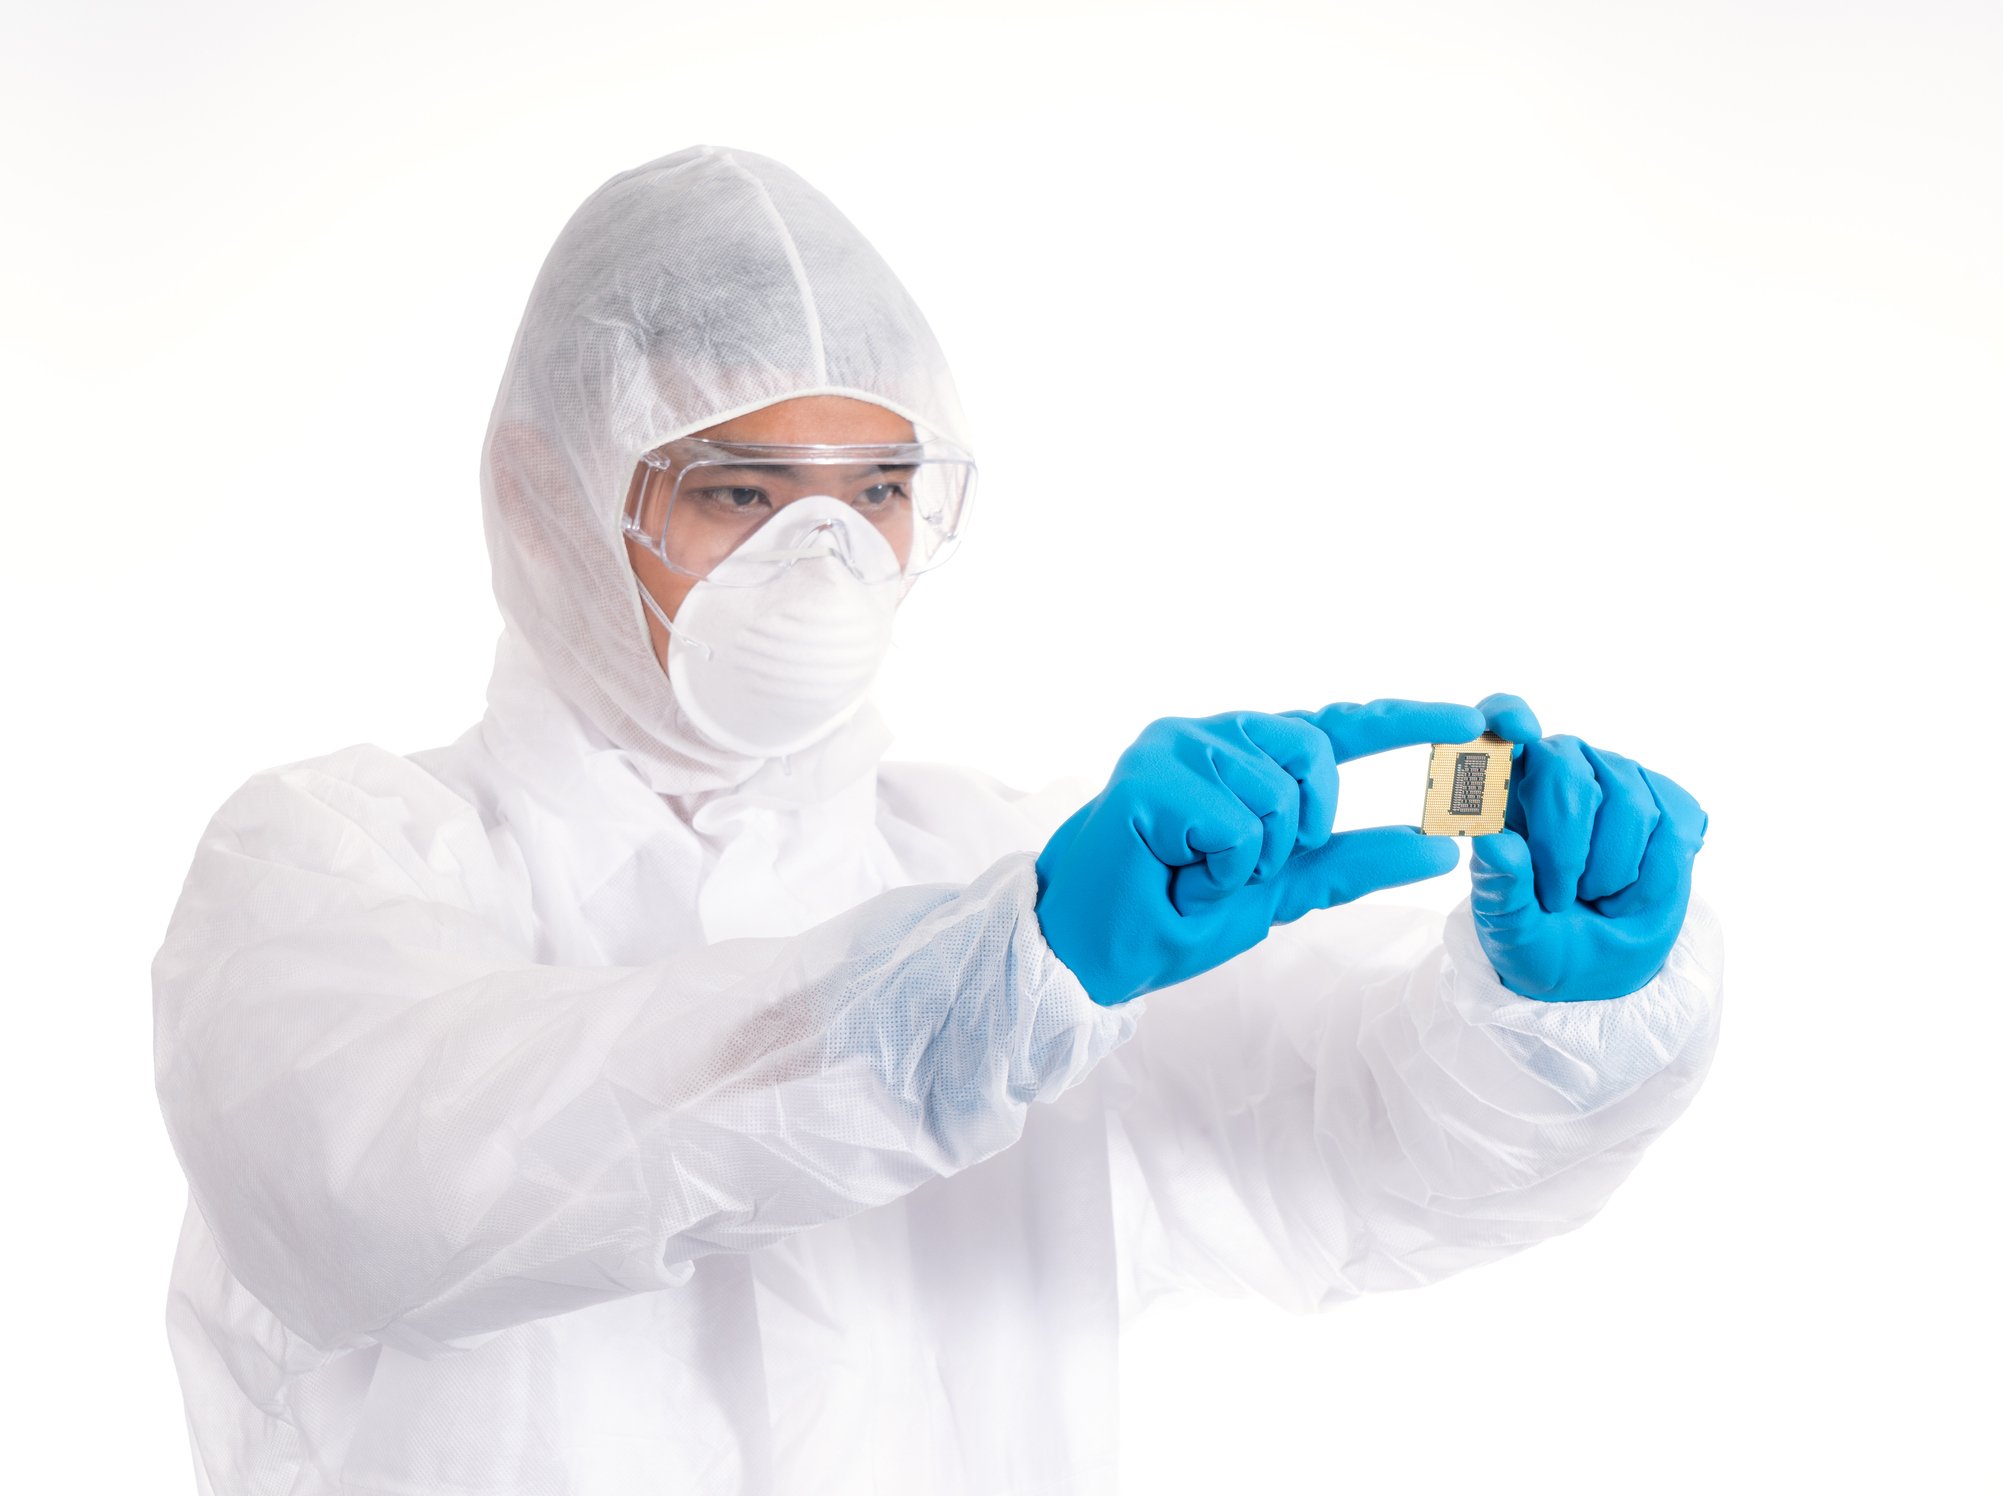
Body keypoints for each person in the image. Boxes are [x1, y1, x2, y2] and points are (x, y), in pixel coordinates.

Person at [152, 144, 1722, 1496]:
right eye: (741, 494)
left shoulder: (1008, 883)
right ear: (540, 496)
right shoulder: (336, 862)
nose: (825, 561)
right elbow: (395, 1182)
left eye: (877, 489)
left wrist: (1553, 1021)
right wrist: (980, 996)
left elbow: (1345, 1150)